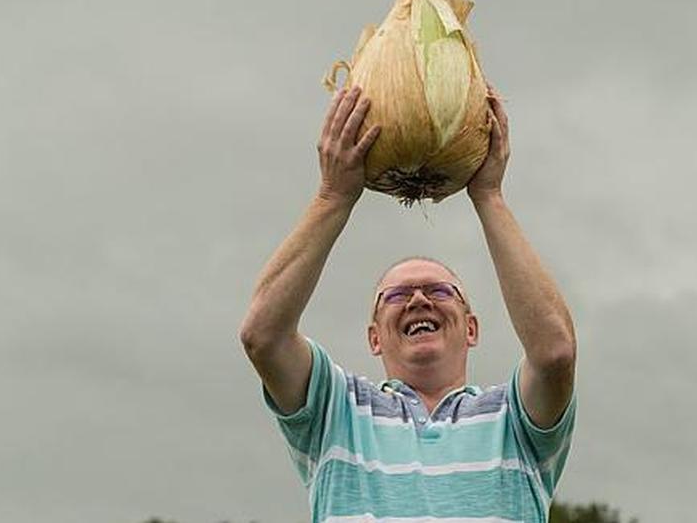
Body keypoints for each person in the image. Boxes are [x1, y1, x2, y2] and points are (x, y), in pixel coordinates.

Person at [239, 84, 577, 522]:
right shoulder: (335, 412)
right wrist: (333, 196)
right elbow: (261, 335)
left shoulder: (513, 420)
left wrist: (489, 197)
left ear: (471, 328)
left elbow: (555, 353)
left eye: (440, 291)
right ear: (374, 338)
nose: (418, 299)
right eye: (396, 296)